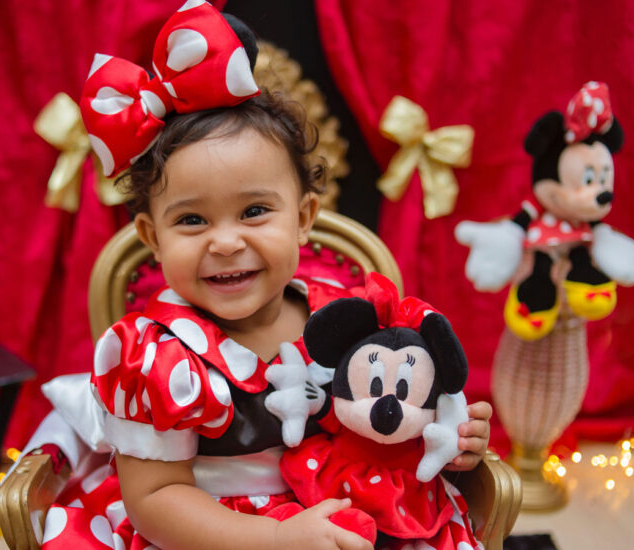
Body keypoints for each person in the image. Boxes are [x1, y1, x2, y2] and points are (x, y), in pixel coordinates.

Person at [36, 3, 492, 549]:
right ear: (152, 237)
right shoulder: (155, 358)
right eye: (191, 220)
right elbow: (155, 499)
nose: (226, 242)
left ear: (303, 219)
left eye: (254, 211)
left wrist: (451, 436)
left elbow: (390, 415)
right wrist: (272, 538)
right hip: (215, 532)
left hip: (354, 510)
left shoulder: (347, 317)